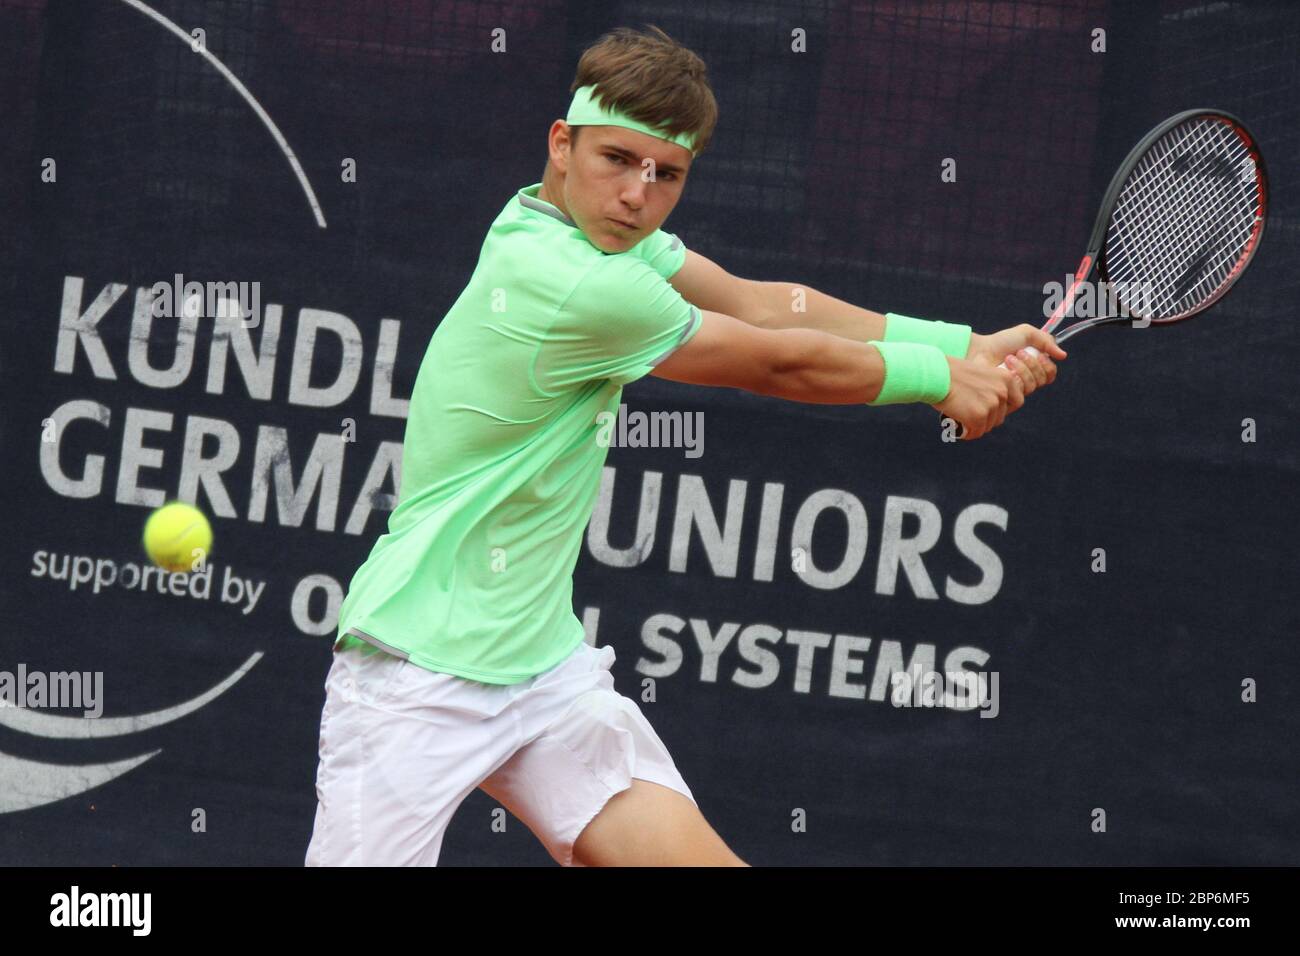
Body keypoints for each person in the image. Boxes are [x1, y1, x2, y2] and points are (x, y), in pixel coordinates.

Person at [306, 24, 1066, 868]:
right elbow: (778, 361)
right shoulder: (578, 283)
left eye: (665, 174)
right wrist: (936, 377)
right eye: (617, 161)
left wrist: (963, 343)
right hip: (416, 678)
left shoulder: (569, 227)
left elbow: (770, 305)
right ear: (562, 144)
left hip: (542, 672)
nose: (638, 193)